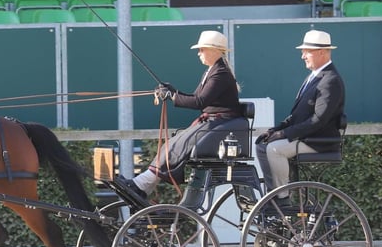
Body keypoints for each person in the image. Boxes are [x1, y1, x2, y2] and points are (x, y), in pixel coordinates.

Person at [117, 30, 250, 206]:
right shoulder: (211, 72)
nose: (199, 53)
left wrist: (172, 96)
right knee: (171, 144)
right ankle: (142, 184)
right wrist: (173, 91)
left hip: (220, 125)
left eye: (202, 49)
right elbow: (196, 98)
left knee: (179, 145)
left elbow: (199, 101)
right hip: (212, 122)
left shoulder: (221, 74)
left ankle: (141, 185)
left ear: (215, 50)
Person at [255, 29, 345, 205]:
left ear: (322, 52)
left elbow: (318, 120)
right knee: (261, 145)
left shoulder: (330, 80)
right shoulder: (313, 77)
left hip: (317, 140)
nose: (303, 56)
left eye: (306, 51)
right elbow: (297, 115)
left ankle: (282, 199)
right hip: (307, 137)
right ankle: (272, 192)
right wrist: (277, 129)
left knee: (275, 149)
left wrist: (285, 135)